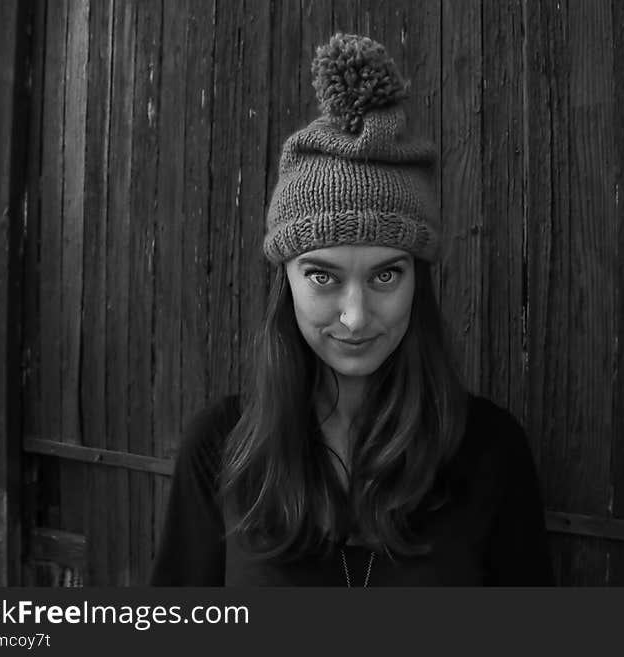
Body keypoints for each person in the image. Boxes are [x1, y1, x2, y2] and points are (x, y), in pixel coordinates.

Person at [150, 33, 552, 586]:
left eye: (386, 274)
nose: (356, 316)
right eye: (323, 276)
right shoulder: (220, 448)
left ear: (418, 280)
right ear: (284, 281)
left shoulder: (489, 449)